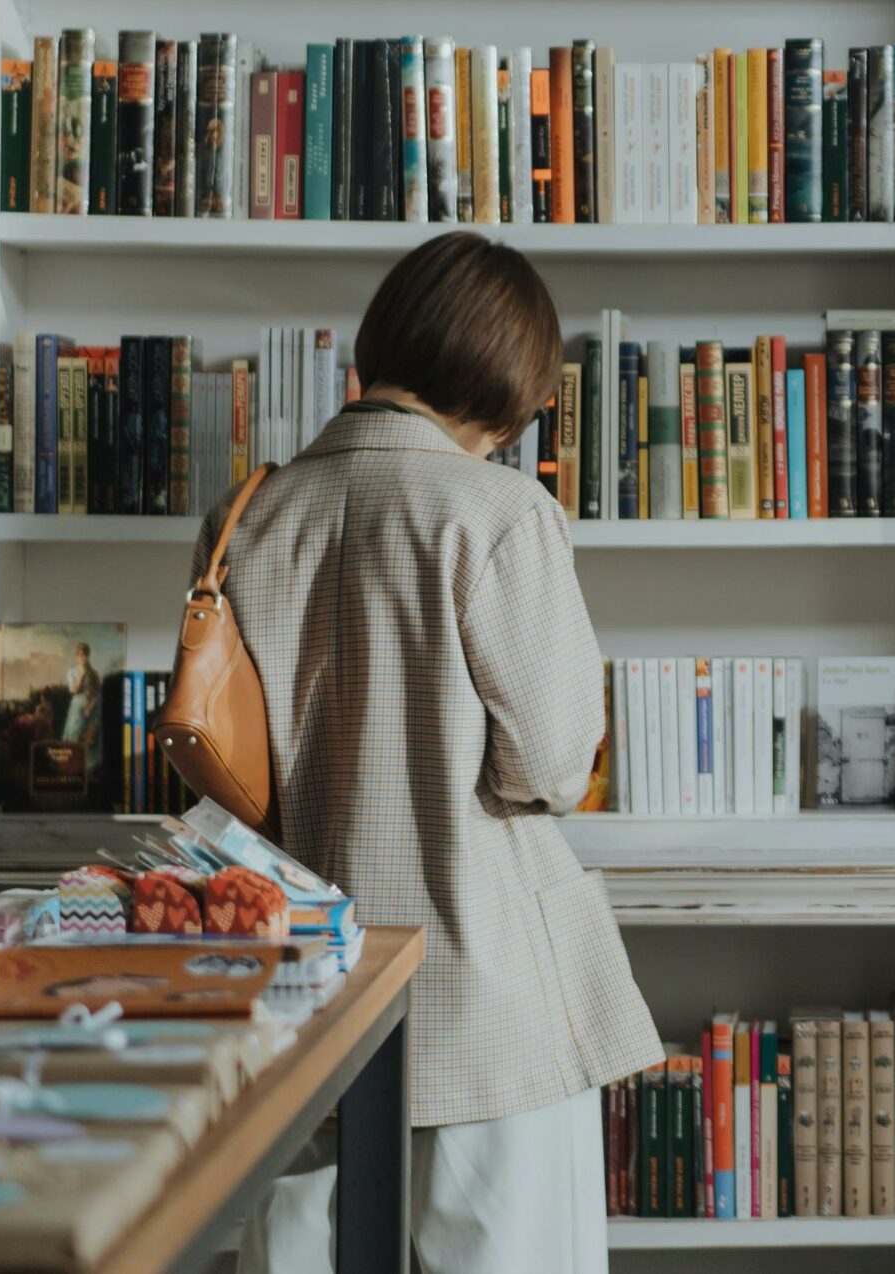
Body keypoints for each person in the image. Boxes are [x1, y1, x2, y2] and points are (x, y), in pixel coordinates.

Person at [209, 231, 660, 1274]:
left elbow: (236, 762)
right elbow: (551, 763)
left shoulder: (248, 514)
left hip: (299, 984)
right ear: (511, 387)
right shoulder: (501, 513)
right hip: (482, 982)